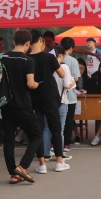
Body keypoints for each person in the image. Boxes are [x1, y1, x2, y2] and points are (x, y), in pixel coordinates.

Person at [0, 29, 42, 184]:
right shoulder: (27, 61)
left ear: (13, 41)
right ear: (28, 43)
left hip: (5, 104)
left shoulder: (2, 57)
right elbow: (30, 84)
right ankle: (23, 166)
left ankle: (13, 173)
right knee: (36, 134)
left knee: (9, 139)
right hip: (23, 104)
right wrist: (36, 84)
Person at [27, 30, 68, 174]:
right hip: (50, 96)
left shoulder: (27, 59)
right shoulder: (49, 57)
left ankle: (42, 164)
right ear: (40, 40)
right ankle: (59, 162)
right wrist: (55, 64)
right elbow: (62, 74)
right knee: (55, 129)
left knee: (38, 130)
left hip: (33, 98)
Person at [42, 46, 75, 161]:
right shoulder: (64, 67)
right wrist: (73, 82)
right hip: (61, 101)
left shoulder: (46, 67)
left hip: (47, 101)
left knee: (46, 128)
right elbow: (67, 85)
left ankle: (46, 153)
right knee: (59, 129)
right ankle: (59, 153)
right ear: (60, 55)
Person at [60, 38, 80, 152]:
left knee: (58, 120)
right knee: (69, 120)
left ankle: (54, 143)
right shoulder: (73, 61)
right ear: (71, 48)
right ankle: (66, 143)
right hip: (70, 96)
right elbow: (76, 78)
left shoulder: (55, 58)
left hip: (58, 95)